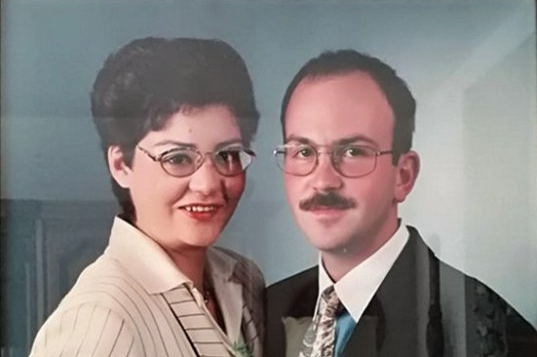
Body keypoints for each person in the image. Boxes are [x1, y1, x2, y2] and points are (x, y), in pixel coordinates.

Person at [265, 49, 537, 357]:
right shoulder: (266, 309)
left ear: (403, 176)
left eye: (354, 151)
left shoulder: (485, 329)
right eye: (303, 151)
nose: (323, 180)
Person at [30, 37, 264, 357]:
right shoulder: (98, 321)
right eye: (178, 158)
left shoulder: (244, 278)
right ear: (121, 164)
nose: (208, 184)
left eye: (228, 155)